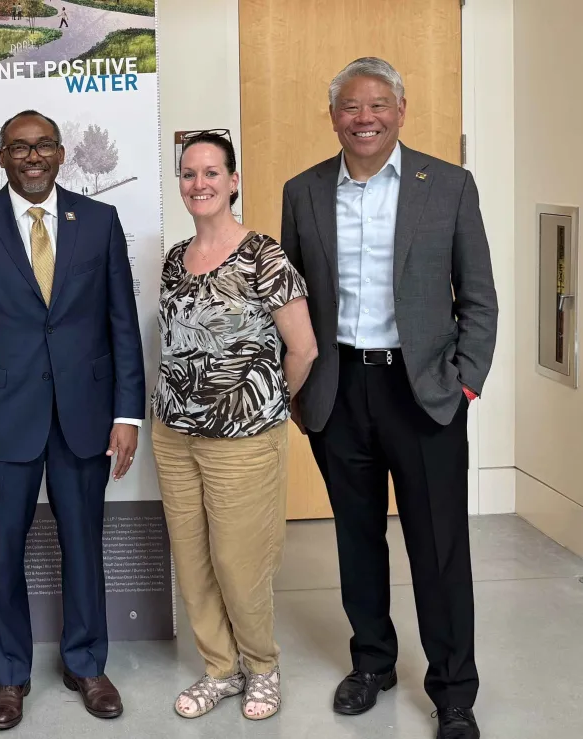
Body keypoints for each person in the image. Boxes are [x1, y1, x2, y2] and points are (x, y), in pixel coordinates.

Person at [280, 57, 497, 739]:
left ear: (401, 110)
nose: (364, 117)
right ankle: (372, 663)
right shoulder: (303, 191)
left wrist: (464, 380)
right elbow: (290, 300)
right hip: (339, 390)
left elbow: (479, 295)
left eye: (378, 104)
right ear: (333, 116)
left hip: (424, 389)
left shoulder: (449, 185)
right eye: (350, 106)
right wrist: (297, 385)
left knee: (439, 547)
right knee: (357, 538)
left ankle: (454, 691)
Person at [0, 109, 146, 730]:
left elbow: (122, 324)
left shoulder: (99, 222)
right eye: (20, 147)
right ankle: (9, 674)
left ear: (61, 154)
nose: (33, 156)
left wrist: (127, 413)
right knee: (1, 552)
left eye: (44, 145)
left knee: (84, 544)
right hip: (2, 423)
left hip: (85, 416)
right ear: (2, 157)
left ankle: (86, 663)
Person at [152, 132, 318, 722]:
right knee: (193, 561)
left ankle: (262, 667)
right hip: (174, 434)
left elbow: (303, 348)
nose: (199, 183)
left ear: (233, 181)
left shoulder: (264, 257)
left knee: (239, 564)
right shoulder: (175, 259)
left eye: (211, 173)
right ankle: (220, 670)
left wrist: (268, 404)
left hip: (243, 439)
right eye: (189, 174)